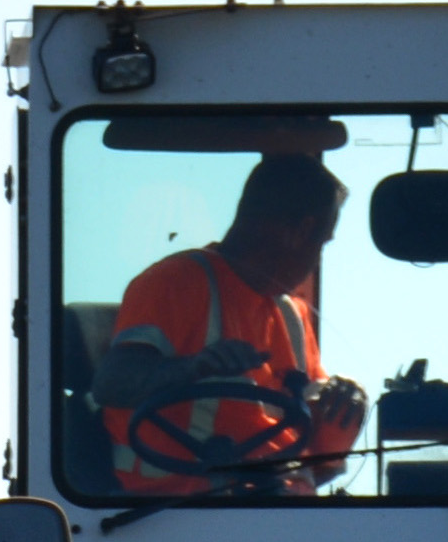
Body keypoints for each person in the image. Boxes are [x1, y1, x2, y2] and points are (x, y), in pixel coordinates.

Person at [95, 152, 373, 497]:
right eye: (321, 243)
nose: (316, 259)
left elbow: (309, 460)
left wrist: (342, 414)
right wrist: (194, 368)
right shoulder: (177, 283)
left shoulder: (293, 315)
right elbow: (111, 384)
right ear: (297, 232)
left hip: (283, 512)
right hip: (176, 515)